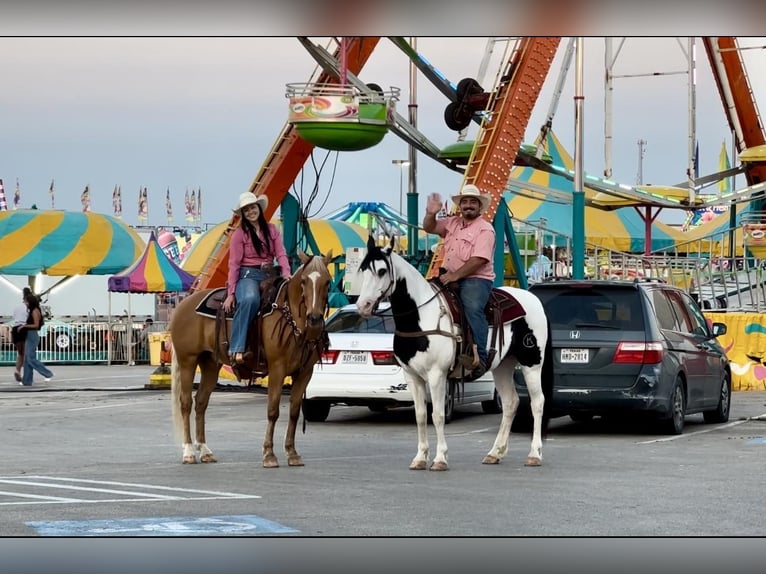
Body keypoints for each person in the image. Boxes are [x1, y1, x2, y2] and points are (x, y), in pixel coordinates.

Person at [423, 183, 496, 378]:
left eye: (473, 202)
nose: (469, 205)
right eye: (465, 202)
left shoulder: (485, 230)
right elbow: (429, 227)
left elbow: (479, 259)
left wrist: (455, 276)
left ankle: (480, 358)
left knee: (472, 309)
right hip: (449, 275)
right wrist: (431, 213)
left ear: (479, 207)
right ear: (460, 206)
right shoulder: (452, 222)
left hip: (476, 279)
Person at [223, 191, 291, 365]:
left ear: (258, 208)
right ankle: (236, 348)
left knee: (289, 300)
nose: (250, 212)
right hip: (248, 275)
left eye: (252, 207)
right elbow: (234, 264)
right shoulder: (239, 234)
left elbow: (281, 253)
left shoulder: (272, 230)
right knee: (250, 300)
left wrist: (286, 273)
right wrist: (231, 293)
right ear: (243, 214)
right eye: (246, 210)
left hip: (270, 275)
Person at [18, 291, 54, 386]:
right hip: (29, 335)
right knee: (27, 358)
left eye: (26, 302)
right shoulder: (32, 310)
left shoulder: (35, 311)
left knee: (30, 357)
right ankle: (27, 380)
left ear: (30, 302)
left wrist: (24, 326)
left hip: (32, 335)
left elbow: (36, 325)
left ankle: (47, 373)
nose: (24, 303)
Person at [11, 287, 32, 382]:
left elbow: (15, 317)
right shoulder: (28, 308)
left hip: (15, 329)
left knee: (20, 353)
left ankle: (17, 370)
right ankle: (21, 373)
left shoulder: (16, 307)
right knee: (25, 353)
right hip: (23, 328)